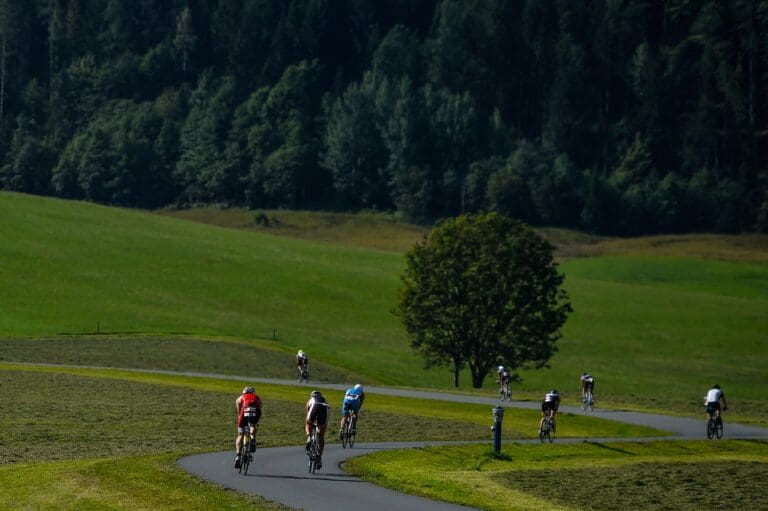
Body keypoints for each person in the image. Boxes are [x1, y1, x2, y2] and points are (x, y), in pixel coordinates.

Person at [234, 385, 262, 469]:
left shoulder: (240, 397)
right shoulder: (256, 397)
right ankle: (252, 438)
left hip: (244, 411)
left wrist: (239, 419)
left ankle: (238, 455)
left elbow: (239, 411)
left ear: (244, 392)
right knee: (253, 425)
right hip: (255, 410)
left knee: (240, 434)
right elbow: (260, 405)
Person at [305, 390, 329, 469]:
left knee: (308, 423)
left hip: (314, 407)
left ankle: (309, 438)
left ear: (312, 396)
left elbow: (308, 413)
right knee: (321, 435)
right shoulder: (325, 400)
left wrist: (311, 423)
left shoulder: (310, 400)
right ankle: (319, 457)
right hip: (324, 408)